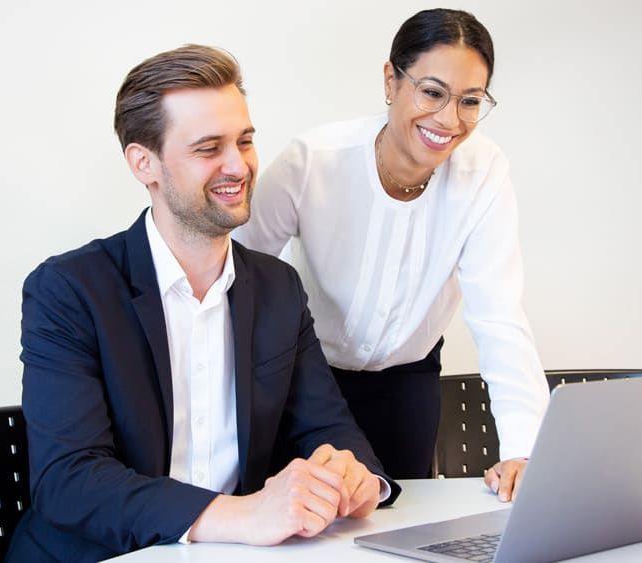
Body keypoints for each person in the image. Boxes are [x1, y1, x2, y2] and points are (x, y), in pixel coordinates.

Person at [5, 45, 400, 562]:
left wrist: (355, 476)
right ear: (144, 163)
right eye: (209, 148)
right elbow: (70, 480)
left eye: (245, 141)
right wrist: (243, 515)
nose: (238, 165)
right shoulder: (70, 290)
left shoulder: (278, 286)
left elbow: (326, 426)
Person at [233, 8, 549, 500]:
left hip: (407, 386)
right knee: (302, 518)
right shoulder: (312, 162)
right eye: (432, 92)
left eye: (469, 101)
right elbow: (236, 272)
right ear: (390, 80)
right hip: (307, 384)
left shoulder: (483, 172)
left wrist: (525, 451)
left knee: (402, 519)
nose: (449, 119)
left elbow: (499, 317)